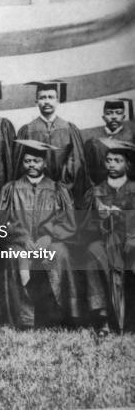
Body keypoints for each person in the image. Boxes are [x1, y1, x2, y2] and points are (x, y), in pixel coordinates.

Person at [0, 139, 80, 329]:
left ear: (44, 163)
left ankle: (58, 316)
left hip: (50, 241)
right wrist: (21, 237)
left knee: (60, 253)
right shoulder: (10, 189)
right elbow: (0, 222)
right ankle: (23, 319)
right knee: (13, 254)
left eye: (36, 161)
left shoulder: (58, 189)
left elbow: (68, 222)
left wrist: (49, 236)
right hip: (19, 242)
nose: (32, 165)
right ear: (22, 163)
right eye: (27, 161)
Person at [82, 139, 135, 335]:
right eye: (109, 160)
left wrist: (123, 217)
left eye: (118, 160)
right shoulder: (96, 192)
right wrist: (100, 219)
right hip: (105, 242)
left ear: (127, 164)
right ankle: (102, 317)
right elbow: (85, 226)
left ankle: (128, 319)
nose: (112, 164)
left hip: (131, 242)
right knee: (92, 252)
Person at [14, 81, 90, 207]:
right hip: (35, 193)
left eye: (51, 97)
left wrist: (61, 188)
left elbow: (76, 164)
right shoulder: (27, 130)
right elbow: (20, 165)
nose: (47, 101)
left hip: (65, 193)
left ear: (57, 100)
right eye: (42, 98)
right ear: (36, 101)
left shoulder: (69, 129)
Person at [84, 98, 135, 186]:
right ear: (103, 117)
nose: (114, 116)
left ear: (123, 117)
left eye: (118, 113)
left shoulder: (131, 136)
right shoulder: (94, 140)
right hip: (100, 185)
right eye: (109, 113)